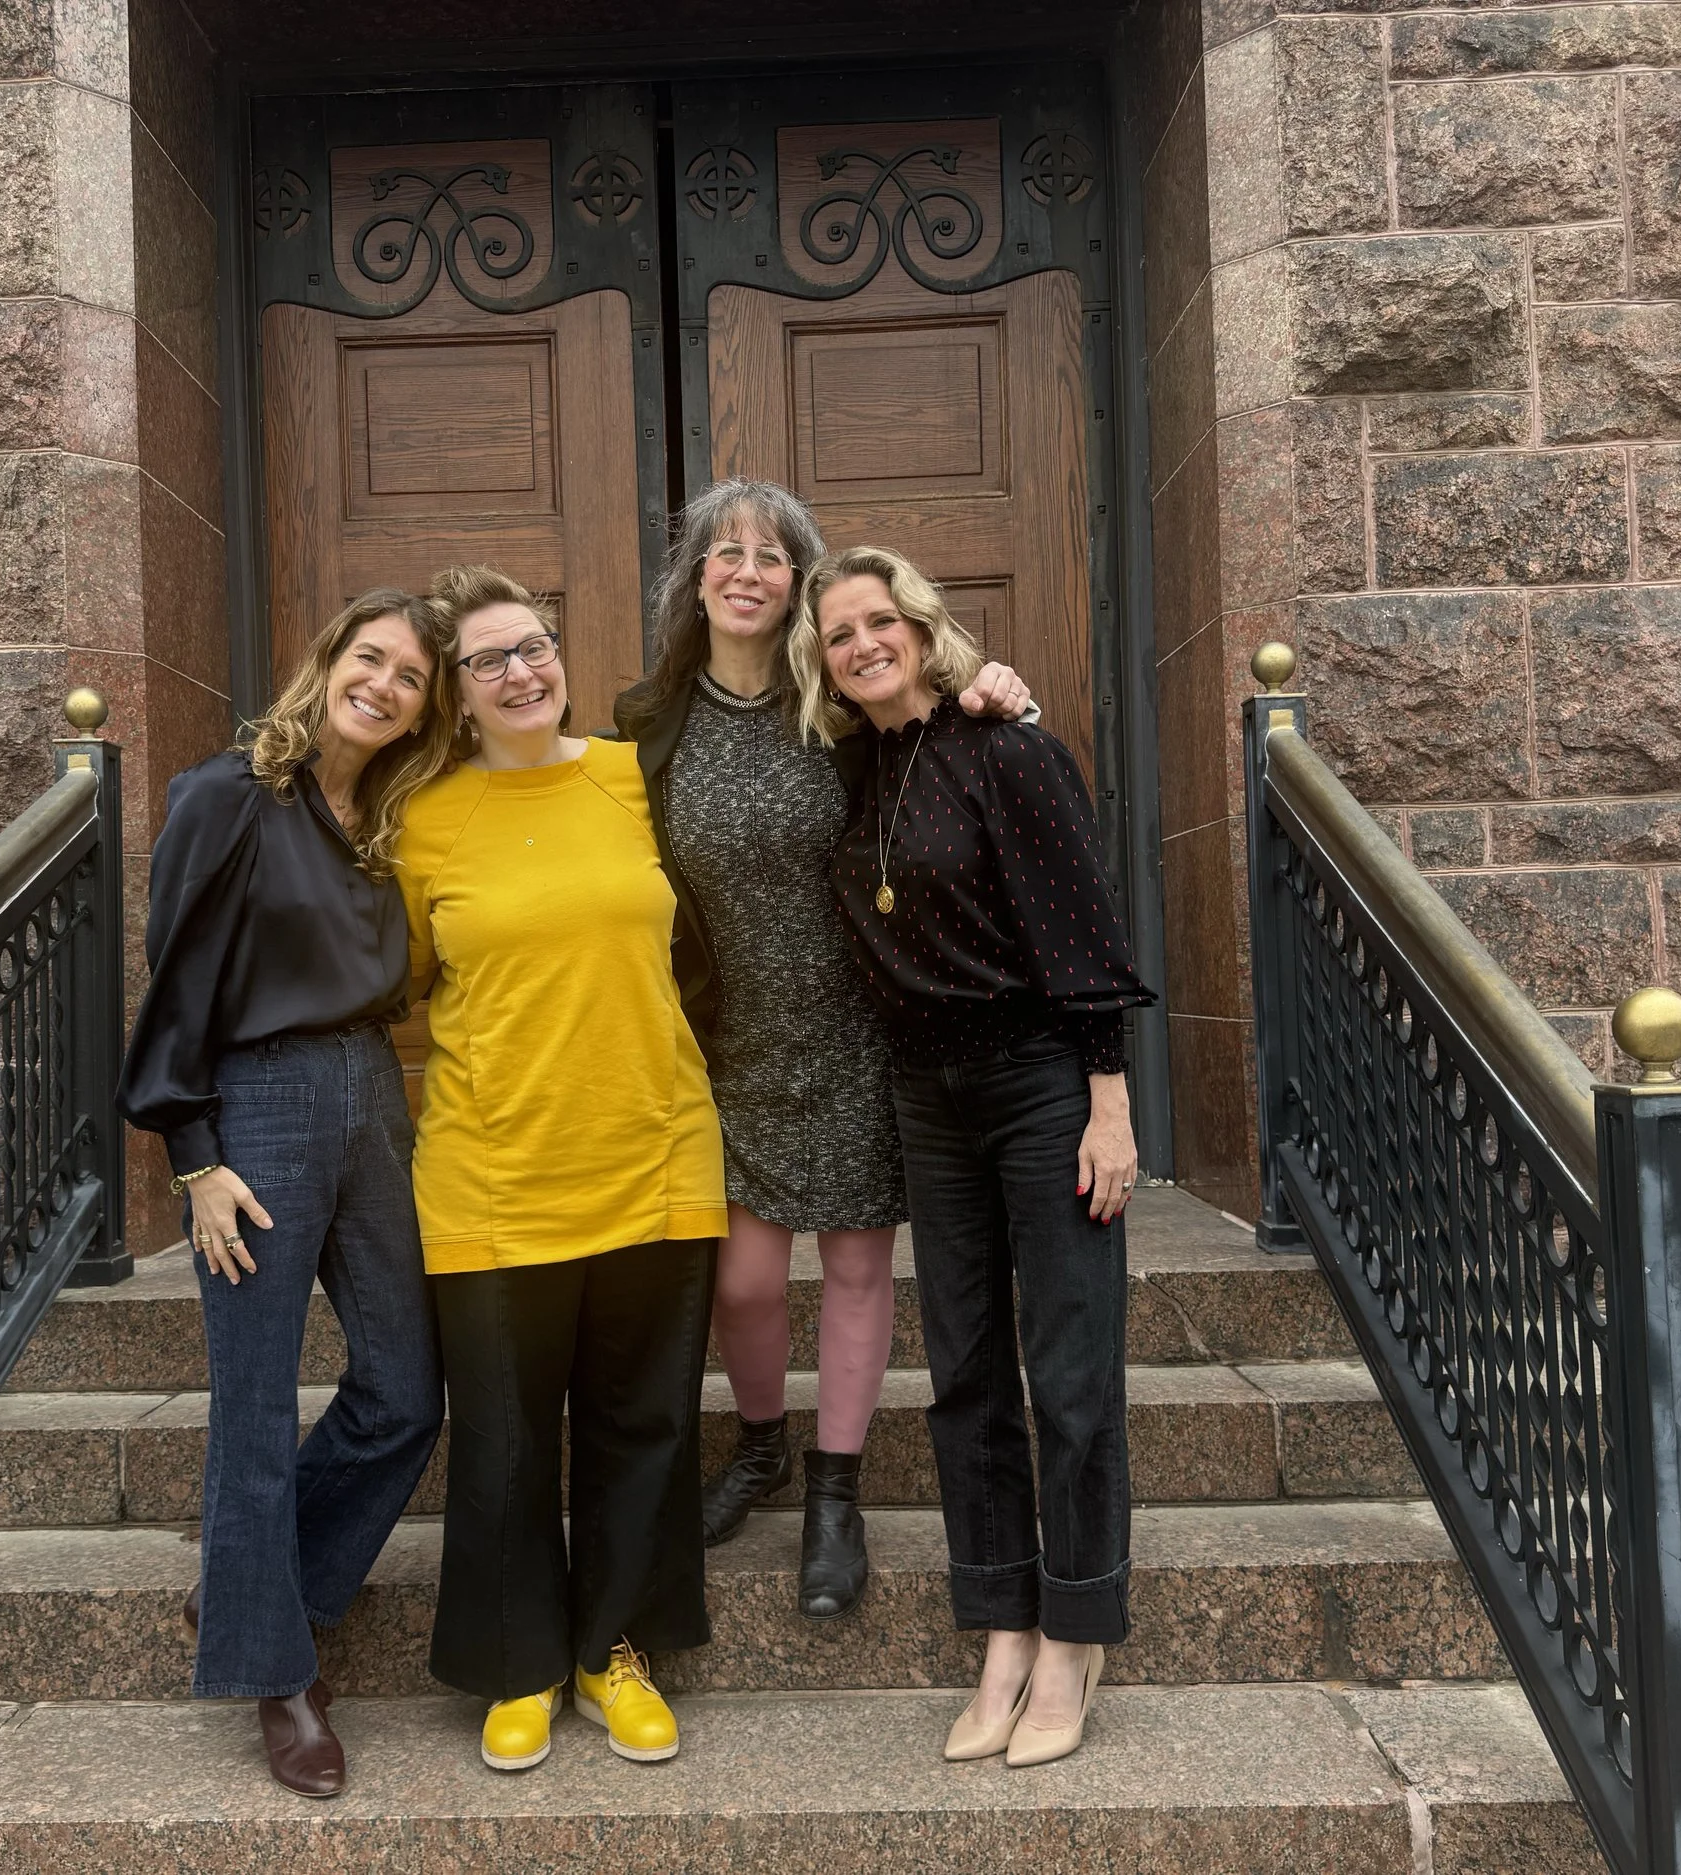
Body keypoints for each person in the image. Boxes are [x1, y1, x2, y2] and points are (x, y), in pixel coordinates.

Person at [614, 478, 1029, 1622]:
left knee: (852, 1268)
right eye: (724, 552)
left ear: (798, 581)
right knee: (742, 1280)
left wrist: (995, 688)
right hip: (723, 1043)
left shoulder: (839, 709)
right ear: (696, 578)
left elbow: (940, 734)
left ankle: (834, 1494)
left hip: (861, 1030)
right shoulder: (646, 723)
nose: (746, 570)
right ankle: (759, 1448)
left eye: (771, 554)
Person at [793, 544, 1153, 1770]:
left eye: (879, 620)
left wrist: (1108, 1101)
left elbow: (1081, 927)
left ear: (922, 626)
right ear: (822, 662)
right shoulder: (845, 776)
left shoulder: (1008, 748)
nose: (861, 644)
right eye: (838, 633)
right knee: (963, 1374)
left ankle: (1078, 1628)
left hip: (1039, 1084)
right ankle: (1000, 1618)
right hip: (924, 1104)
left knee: (1067, 1364)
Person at [117, 590, 456, 1799]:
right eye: (370, 658)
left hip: (372, 1095)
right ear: (328, 662)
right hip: (255, 1104)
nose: (384, 685)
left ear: (427, 704)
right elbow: (176, 982)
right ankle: (280, 1677)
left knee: (407, 1387)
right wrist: (196, 1159)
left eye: (411, 676)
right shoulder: (227, 795)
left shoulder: (391, 814)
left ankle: (264, 1589)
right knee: (254, 1403)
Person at [395, 563, 728, 1774]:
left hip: (653, 1148)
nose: (523, 671)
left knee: (643, 1424)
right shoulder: (420, 817)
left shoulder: (636, 777)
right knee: (502, 1438)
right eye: (491, 660)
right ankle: (520, 1665)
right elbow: (386, 980)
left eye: (534, 644)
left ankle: (613, 1653)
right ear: (458, 693)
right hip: (491, 1170)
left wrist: (977, 687)